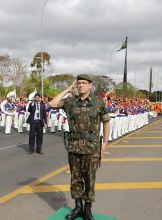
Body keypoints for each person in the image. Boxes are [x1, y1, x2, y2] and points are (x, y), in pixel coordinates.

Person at [49, 74, 110, 220]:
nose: (81, 85)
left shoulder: (98, 102)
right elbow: (52, 104)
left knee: (89, 178)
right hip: (74, 147)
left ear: (90, 85)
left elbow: (106, 122)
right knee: (75, 178)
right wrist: (68, 89)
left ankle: (87, 208)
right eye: (79, 83)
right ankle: (77, 206)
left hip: (92, 147)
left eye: (84, 83)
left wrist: (106, 143)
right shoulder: (70, 102)